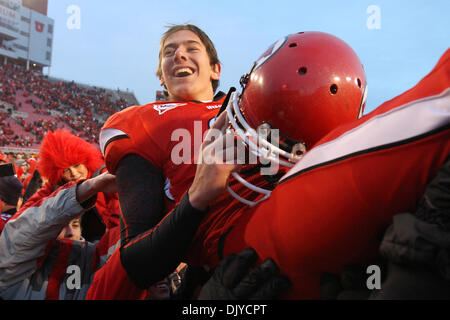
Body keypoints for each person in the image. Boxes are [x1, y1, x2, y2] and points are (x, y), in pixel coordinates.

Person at [91, 24, 449, 299]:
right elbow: (136, 260)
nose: (179, 56)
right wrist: (197, 198)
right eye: (169, 51)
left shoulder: (249, 97)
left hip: (290, 210)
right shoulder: (142, 121)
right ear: (159, 74)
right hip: (240, 241)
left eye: (190, 48)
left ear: (217, 68)